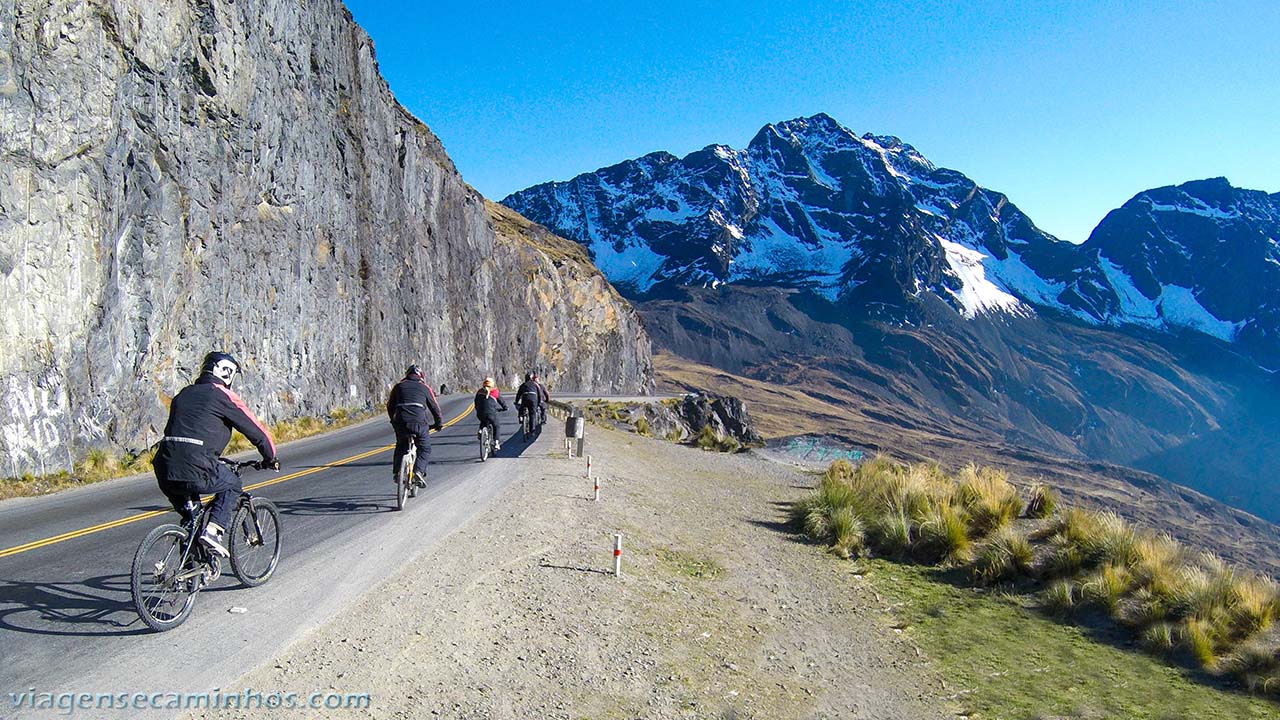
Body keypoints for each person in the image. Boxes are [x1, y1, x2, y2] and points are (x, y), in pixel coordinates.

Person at [152, 352, 279, 557]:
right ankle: (214, 531)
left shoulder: (183, 394)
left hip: (164, 465)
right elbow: (255, 430)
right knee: (232, 483)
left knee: (191, 521)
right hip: (197, 464)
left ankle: (188, 572)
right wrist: (270, 457)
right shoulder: (222, 395)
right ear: (228, 373)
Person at [387, 364, 444, 487]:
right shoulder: (425, 388)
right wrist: (438, 423)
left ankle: (398, 472)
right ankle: (418, 471)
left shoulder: (398, 387)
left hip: (401, 422)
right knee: (424, 448)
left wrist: (393, 420)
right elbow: (435, 407)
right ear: (420, 376)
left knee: (401, 446)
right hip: (419, 422)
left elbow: (390, 405)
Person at [473, 377, 508, 450]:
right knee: (496, 425)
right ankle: (496, 442)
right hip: (491, 413)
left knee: (483, 420)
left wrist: (478, 409)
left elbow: (476, 403)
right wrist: (505, 408)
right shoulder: (495, 392)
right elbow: (502, 402)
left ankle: (480, 430)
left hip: (480, 413)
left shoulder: (479, 391)